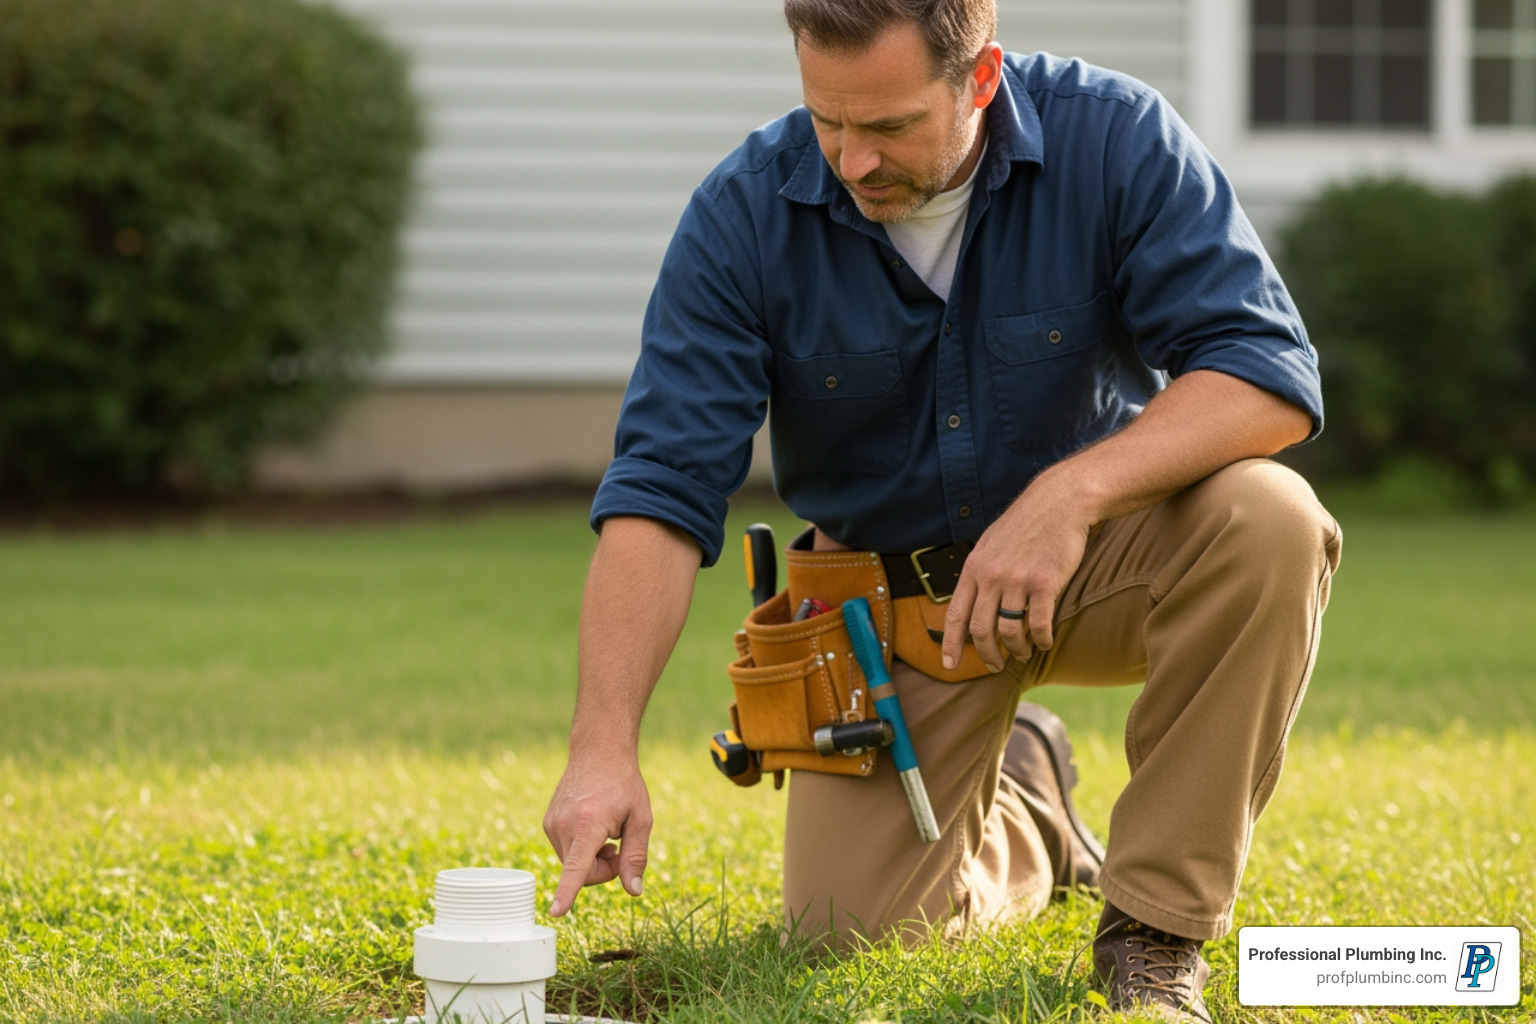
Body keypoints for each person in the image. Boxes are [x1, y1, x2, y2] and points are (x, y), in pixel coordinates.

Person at [542, 1, 1342, 1019]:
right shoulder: (745, 211)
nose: (852, 162)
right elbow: (660, 489)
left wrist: (1071, 492)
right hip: (893, 621)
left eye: (888, 129)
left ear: (981, 78)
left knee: (1270, 518)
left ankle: (1154, 928)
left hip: (1097, 565)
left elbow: (1266, 374)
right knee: (853, 931)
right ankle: (1037, 814)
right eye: (828, 122)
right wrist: (603, 745)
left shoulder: (1117, 137)